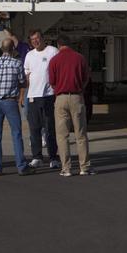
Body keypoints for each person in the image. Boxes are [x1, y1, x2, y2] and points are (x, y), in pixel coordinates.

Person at [48, 33, 93, 176]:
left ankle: (66, 168)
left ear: (58, 45)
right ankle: (84, 167)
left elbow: (52, 81)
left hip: (61, 98)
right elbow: (86, 77)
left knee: (62, 135)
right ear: (70, 44)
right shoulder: (80, 58)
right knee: (81, 134)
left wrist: (59, 90)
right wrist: (80, 89)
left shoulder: (54, 60)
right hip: (76, 97)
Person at [0, 36, 30, 175]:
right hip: (10, 101)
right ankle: (21, 166)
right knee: (16, 133)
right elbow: (22, 81)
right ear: (13, 49)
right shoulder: (17, 63)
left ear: (1, 48)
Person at [22, 29, 60, 169]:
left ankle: (53, 157)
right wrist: (24, 94)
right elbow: (27, 76)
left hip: (49, 96)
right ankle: (37, 156)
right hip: (33, 97)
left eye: (37, 38)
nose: (36, 41)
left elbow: (58, 71)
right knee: (34, 129)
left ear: (43, 38)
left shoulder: (52, 51)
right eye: (33, 40)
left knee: (50, 128)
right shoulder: (29, 55)